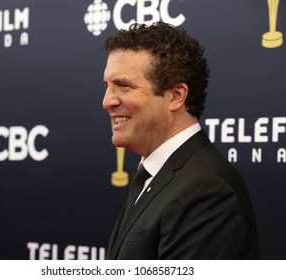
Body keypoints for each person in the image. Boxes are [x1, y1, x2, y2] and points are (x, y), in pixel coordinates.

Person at [102, 22, 258, 259]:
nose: (107, 102)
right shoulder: (157, 175)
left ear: (176, 96)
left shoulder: (206, 190)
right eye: (107, 86)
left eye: (123, 86)